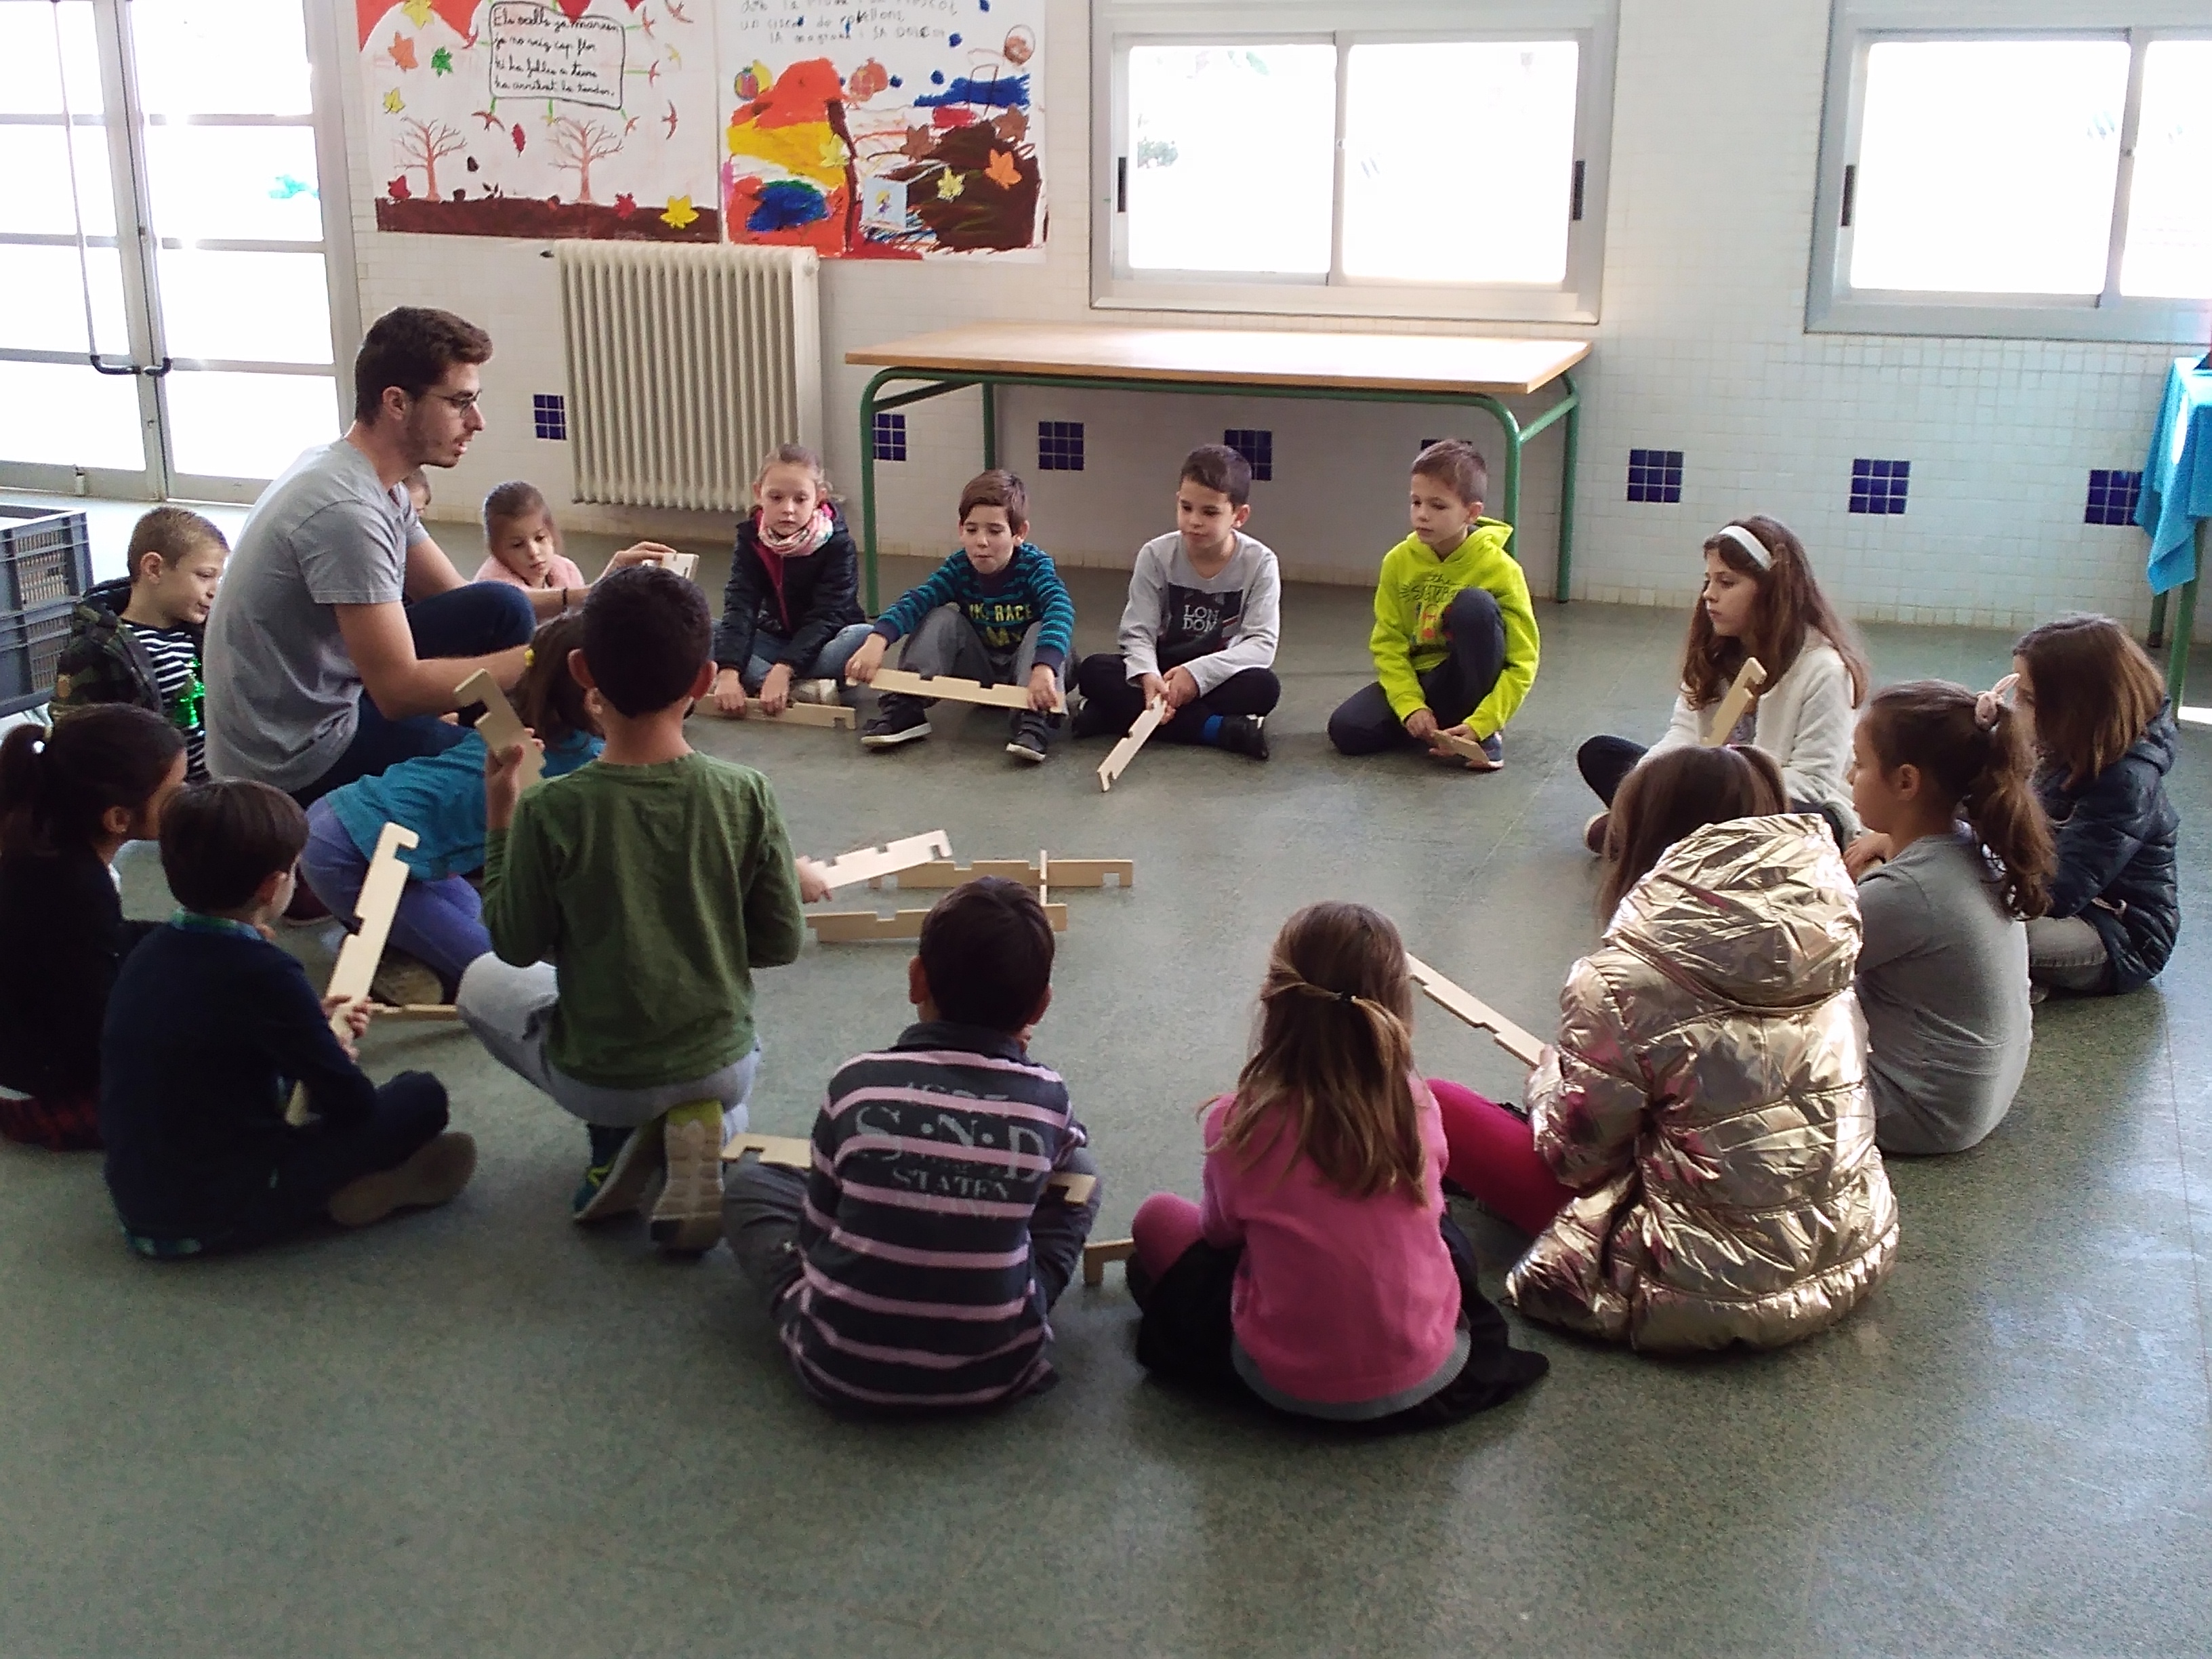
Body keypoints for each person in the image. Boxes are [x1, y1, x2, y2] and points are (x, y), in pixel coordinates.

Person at [1446, 745, 1898, 1351]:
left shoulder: (1621, 979)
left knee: (1439, 1104)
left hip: (1696, 1284)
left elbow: (1575, 1158)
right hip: (1849, 1244)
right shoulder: (1827, 927)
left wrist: (1549, 1078)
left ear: (1647, 839)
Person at [456, 566, 811, 1255]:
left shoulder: (550, 807)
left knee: (478, 983)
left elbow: (514, 944)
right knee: (723, 1070)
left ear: (583, 671)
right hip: (721, 1065)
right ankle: (713, 1132)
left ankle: (615, 1142)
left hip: (605, 1082)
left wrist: (501, 816)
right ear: (703, 681)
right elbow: (780, 942)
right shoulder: (747, 791)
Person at [199, 306, 669, 809]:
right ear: (397, 403)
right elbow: (398, 691)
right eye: (459, 403)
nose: (477, 422)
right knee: (514, 769)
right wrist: (547, 654)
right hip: (295, 755)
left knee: (501, 607)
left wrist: (587, 598)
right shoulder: (346, 512)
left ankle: (520, 743)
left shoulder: (370, 477)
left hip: (328, 693)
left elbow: (460, 597)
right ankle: (516, 770)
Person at [1124, 901, 1549, 1427]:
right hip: (1429, 1373)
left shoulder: (1238, 1122)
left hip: (1284, 1380)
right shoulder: (1416, 1103)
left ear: (1274, 1001)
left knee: (1157, 1219)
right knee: (1442, 1233)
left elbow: (1219, 1235)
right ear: (1394, 1005)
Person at [724, 877, 1103, 1412]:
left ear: (916, 979)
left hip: (839, 1366)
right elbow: (1061, 1159)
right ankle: (1014, 1310)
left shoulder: (857, 1082)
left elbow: (815, 1235)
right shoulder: (1046, 1094)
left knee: (751, 1184)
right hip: (999, 1370)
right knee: (1080, 1172)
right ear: (1039, 1007)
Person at [97, 780, 470, 1257]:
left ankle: (352, 1187)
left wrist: (308, 1026)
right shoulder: (265, 971)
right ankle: (341, 1193)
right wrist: (324, 1048)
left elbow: (213, 1040)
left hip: (139, 1199)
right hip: (215, 1213)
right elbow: (351, 1104)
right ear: (273, 887)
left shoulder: (148, 950)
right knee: (421, 1096)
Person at [298, 617, 601, 1000]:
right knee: (505, 978)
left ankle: (396, 941)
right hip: (350, 851)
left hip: (357, 822)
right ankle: (380, 940)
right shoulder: (587, 761)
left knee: (472, 912)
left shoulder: (529, 720)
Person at [1841, 679, 2053, 1155]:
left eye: (1860, 763)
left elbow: (1788, 973)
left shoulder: (1908, 891)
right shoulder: (1972, 843)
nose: (1849, 774)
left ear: (1906, 782)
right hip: (1972, 1102)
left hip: (1919, 1112)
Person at [1576, 516, 1868, 850]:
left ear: (1771, 591)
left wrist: (1718, 789)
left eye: (1726, 583)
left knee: (1815, 824)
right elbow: (1684, 734)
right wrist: (1647, 782)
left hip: (1782, 803)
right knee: (1602, 754)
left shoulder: (1826, 670)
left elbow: (1813, 782)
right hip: (1712, 790)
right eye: (1708, 581)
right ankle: (1672, 832)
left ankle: (1654, 834)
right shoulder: (1715, 653)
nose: (1709, 595)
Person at [0, 708, 186, 1151]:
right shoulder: (77, 888)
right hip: (39, 1088)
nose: (187, 799)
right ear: (118, 818)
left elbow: (103, 942)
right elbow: (98, 1034)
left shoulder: (49, 848)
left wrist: (188, 940)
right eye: (174, 793)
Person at [1326, 440, 1538, 769]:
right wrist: (1410, 706)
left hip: (1467, 683)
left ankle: (1482, 734)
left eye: (1438, 506)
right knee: (1347, 730)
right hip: (1422, 680)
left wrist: (1485, 720)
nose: (1422, 515)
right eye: (1416, 502)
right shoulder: (1398, 561)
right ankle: (1436, 729)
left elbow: (1522, 661)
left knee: (1475, 606)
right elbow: (1388, 642)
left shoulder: (1501, 569)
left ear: (1472, 513)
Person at [846, 469, 1075, 764]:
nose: (981, 542)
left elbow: (1060, 608)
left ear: (1019, 533)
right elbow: (918, 600)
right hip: (981, 667)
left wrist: (1044, 667)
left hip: (1029, 675)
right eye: (972, 530)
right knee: (941, 617)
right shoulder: (959, 567)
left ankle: (1035, 721)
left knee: (1043, 627)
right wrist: (877, 640)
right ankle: (907, 705)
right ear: (960, 530)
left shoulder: (1035, 566)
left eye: (995, 531)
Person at [1071, 443, 1279, 760]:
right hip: (1161, 670)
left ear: (1239, 516)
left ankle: (1112, 717)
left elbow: (1261, 644)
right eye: (1186, 507)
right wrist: (1148, 676)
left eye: (1210, 512)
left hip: (1217, 674)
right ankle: (1217, 729)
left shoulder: (1261, 562)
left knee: (1263, 687)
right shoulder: (1155, 554)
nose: (1194, 520)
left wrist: (1196, 676)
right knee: (1093, 671)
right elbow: (1137, 630)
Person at [2009, 615, 2178, 996]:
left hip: (2119, 937)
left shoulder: (2126, 782)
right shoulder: (2071, 742)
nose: (2012, 708)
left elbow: (2056, 894)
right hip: (2073, 905)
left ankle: (2015, 979)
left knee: (1976, 928)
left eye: (2028, 699)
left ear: (2074, 708)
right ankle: (2020, 979)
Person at [52, 507, 228, 781]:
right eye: (205, 576)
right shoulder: (97, 651)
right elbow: (75, 741)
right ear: (154, 569)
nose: (214, 590)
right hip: (153, 794)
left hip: (215, 784)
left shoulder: (204, 632)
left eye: (219, 578)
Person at [709, 444, 872, 716]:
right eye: (776, 498)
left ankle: (769, 681)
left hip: (821, 645)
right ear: (758, 493)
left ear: (819, 497)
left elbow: (828, 616)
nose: (788, 509)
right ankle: (798, 690)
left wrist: (785, 669)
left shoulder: (838, 544)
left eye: (800, 499)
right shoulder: (751, 538)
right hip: (775, 639)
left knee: (862, 636)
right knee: (700, 628)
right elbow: (740, 606)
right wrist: (728, 672)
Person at [471, 480, 590, 594]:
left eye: (540, 538)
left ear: (552, 534)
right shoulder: (492, 586)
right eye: (518, 545)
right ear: (496, 551)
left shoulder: (567, 571)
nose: (533, 552)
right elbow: (521, 600)